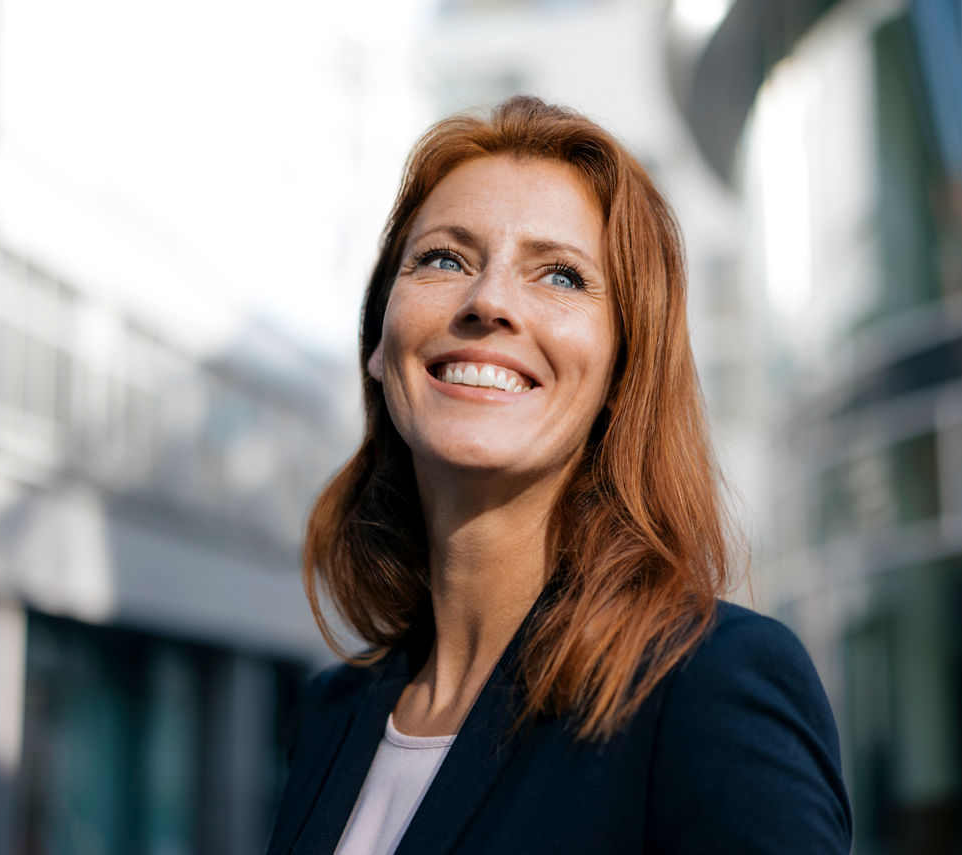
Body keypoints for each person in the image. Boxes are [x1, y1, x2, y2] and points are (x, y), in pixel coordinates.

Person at [266, 95, 851, 855]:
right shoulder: (332, 711)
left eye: (562, 277)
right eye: (445, 258)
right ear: (379, 344)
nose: (488, 301)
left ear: (620, 373)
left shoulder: (707, 686)